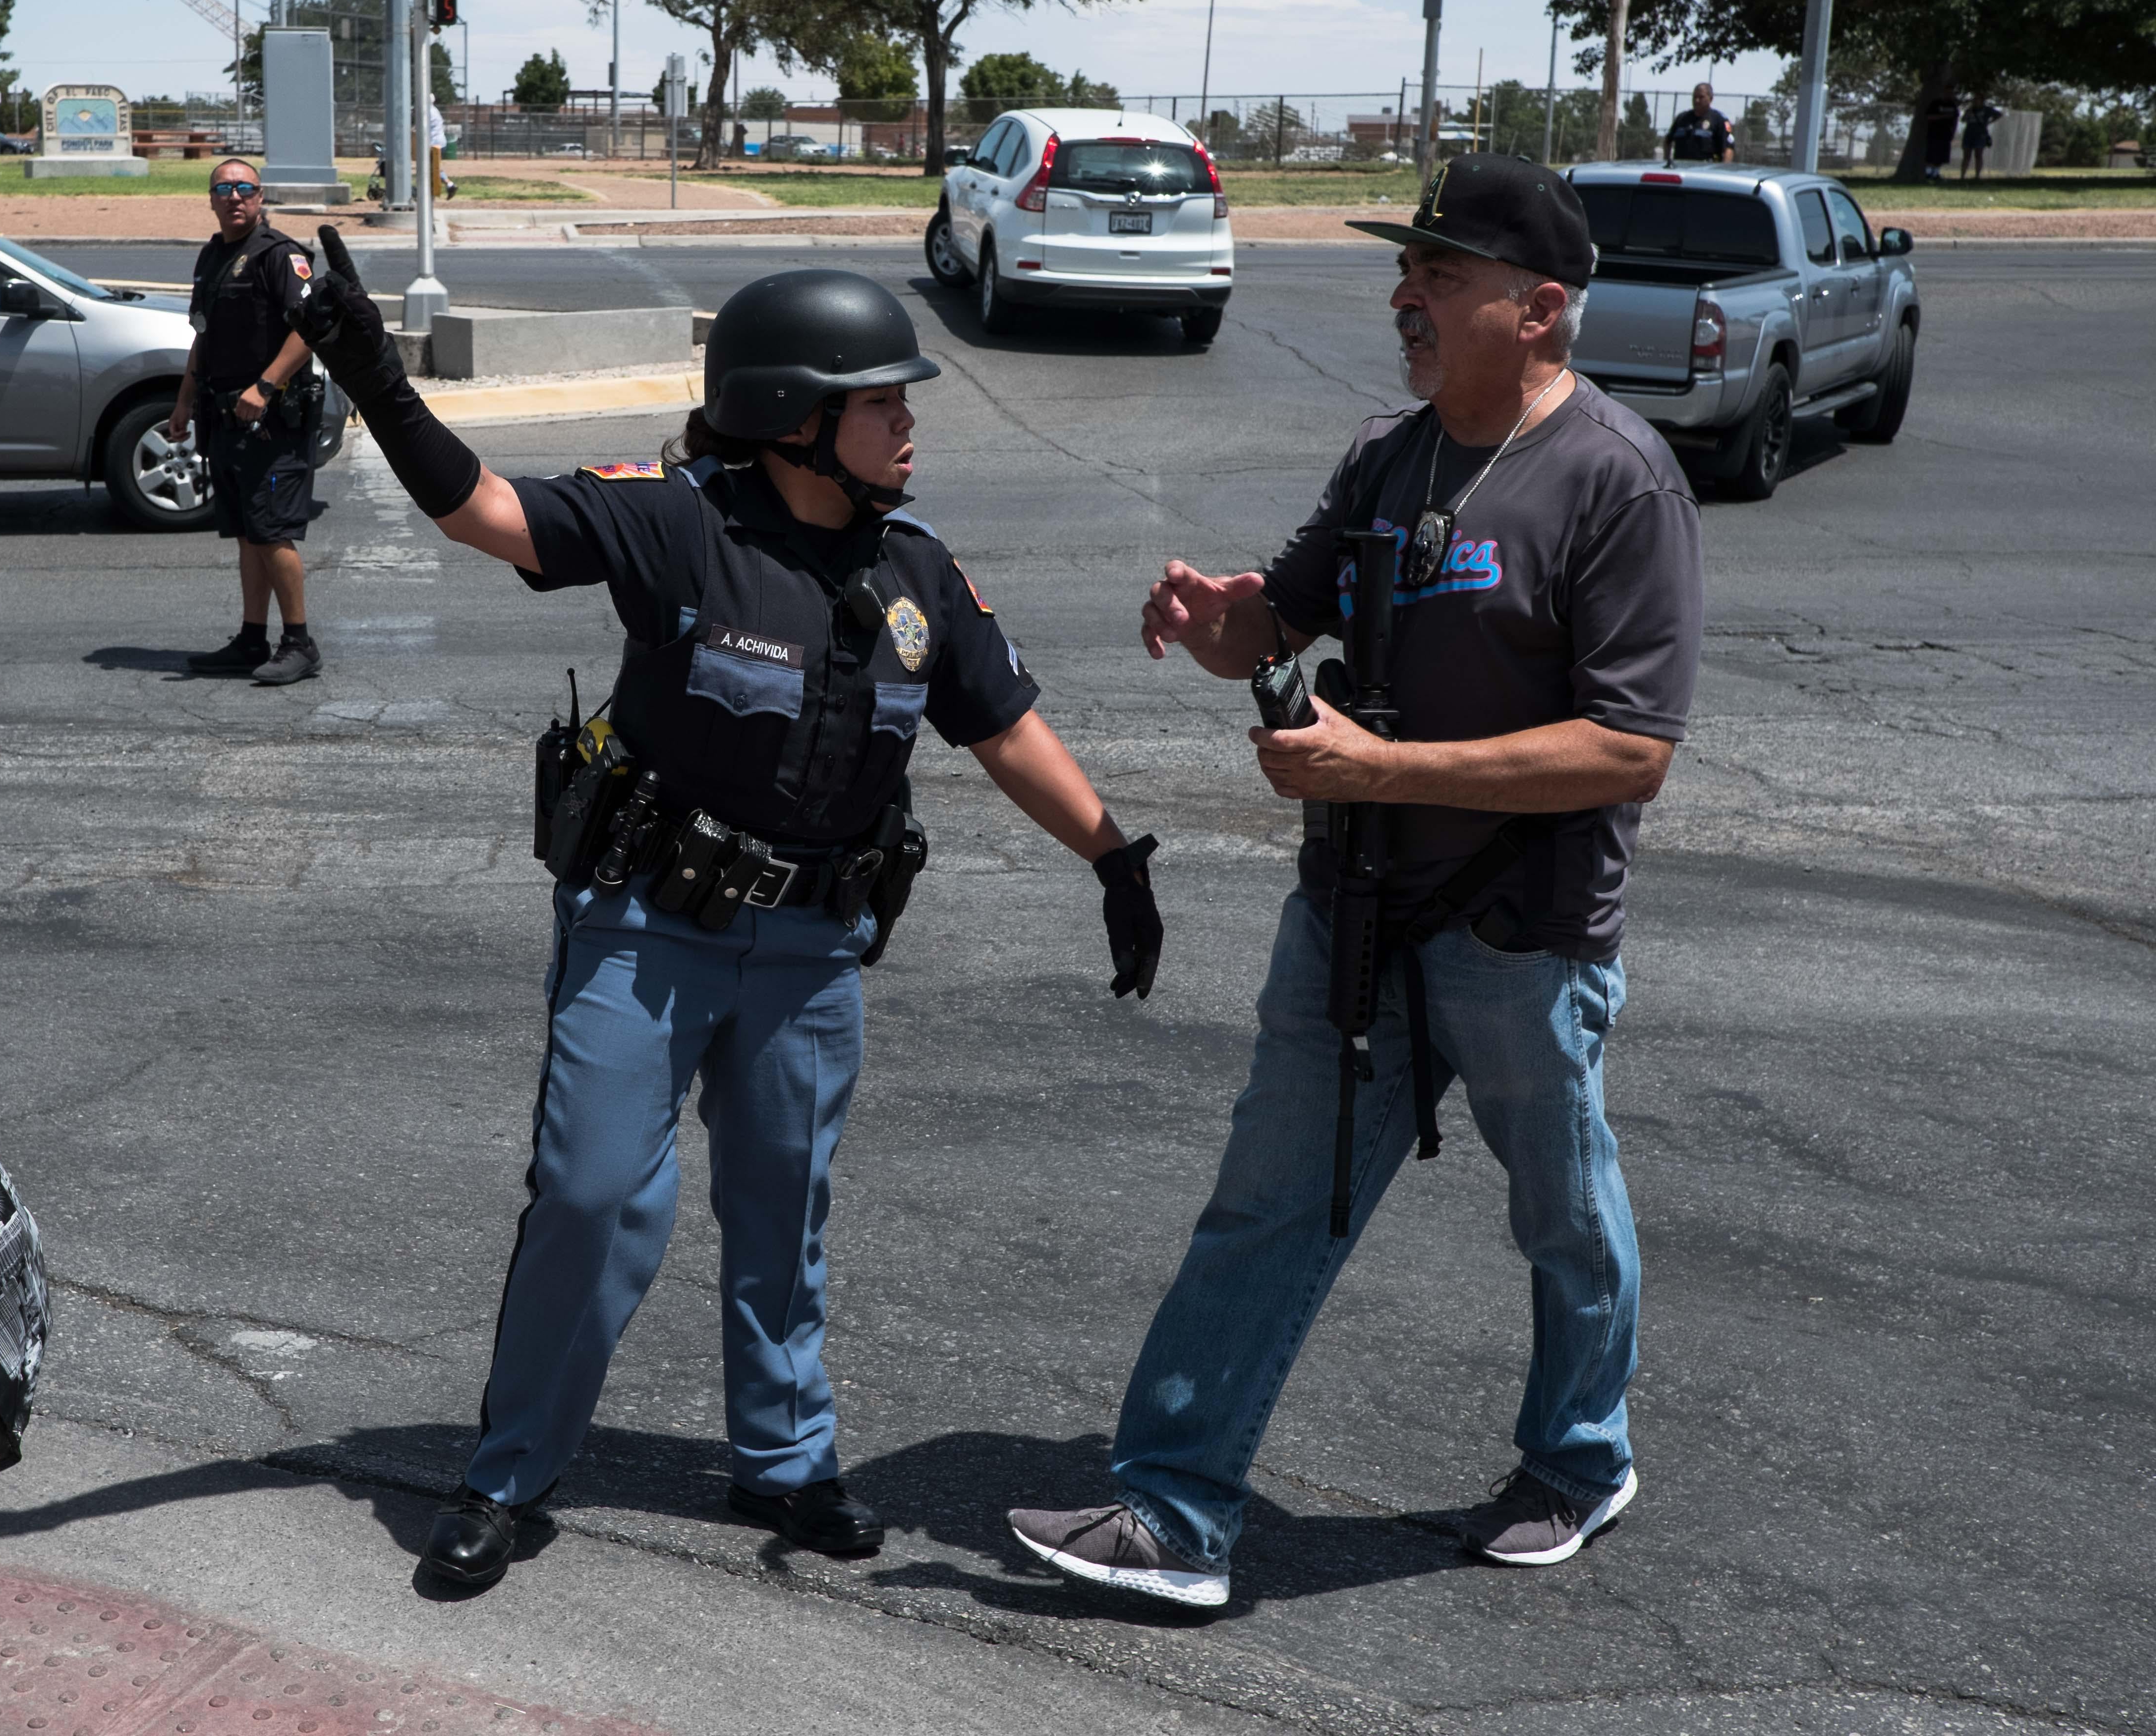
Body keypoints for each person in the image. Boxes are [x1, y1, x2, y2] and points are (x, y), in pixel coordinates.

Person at [280, 234, 1168, 1593]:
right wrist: (365, 366)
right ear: (796, 419)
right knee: (589, 1197)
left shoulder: (919, 573)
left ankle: (790, 1461)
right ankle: (508, 1474)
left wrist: (1113, 857)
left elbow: (1004, 730)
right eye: (884, 403)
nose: (911, 421)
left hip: (813, 950)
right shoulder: (680, 520)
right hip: (649, 927)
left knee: (782, 1206)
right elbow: (487, 515)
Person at [1005, 154, 1703, 1609]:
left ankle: (1579, 1458)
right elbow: (1281, 610)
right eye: (1409, 270)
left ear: (1539, 309)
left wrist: (1377, 772)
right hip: (1354, 917)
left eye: (1439, 276)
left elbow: (1626, 749)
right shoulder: (1390, 457)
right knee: (1263, 1202)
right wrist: (1214, 624)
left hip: (1522, 933)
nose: (1405, 296)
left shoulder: (1615, 481)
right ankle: (1173, 1513)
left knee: (1560, 1214)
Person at [168, 158, 323, 685]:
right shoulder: (213, 257)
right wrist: (185, 400)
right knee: (247, 535)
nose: (235, 197)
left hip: (273, 420)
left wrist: (266, 385)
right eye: (224, 189)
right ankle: (252, 638)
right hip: (225, 416)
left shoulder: (280, 256)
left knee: (273, 531)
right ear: (211, 199)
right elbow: (204, 334)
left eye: (245, 189)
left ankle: (300, 642)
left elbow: (310, 329)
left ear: (261, 198)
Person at [1663, 83, 1734, 164]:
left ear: (1711, 99)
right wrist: (1667, 161)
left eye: (1701, 97)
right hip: (1681, 168)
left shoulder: (1719, 120)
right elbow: (1668, 141)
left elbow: (1729, 148)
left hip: (1706, 170)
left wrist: (1723, 169)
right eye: (1695, 97)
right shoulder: (1682, 118)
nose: (1697, 101)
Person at [1960, 98, 2005, 181]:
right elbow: (1963, 120)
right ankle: (1962, 176)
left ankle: (1977, 176)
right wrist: (1968, 113)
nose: (1976, 102)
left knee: (1979, 155)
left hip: (1980, 135)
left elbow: (1999, 114)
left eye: (1978, 100)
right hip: (1969, 134)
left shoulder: (1987, 110)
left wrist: (1989, 122)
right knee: (1966, 156)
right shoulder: (1970, 110)